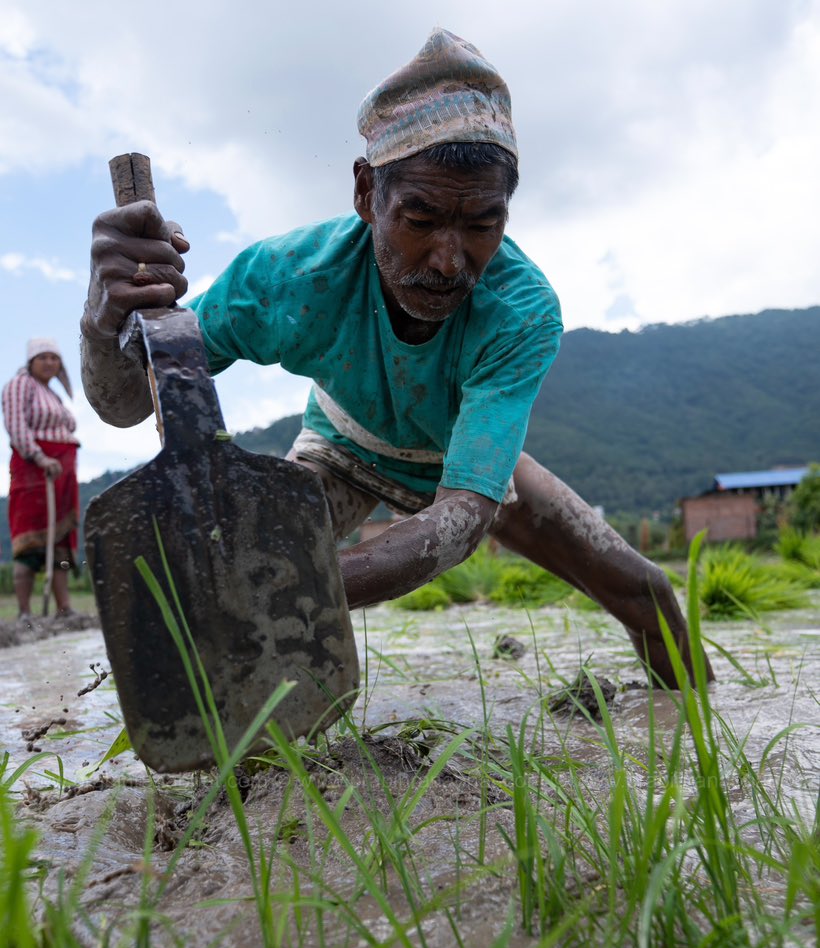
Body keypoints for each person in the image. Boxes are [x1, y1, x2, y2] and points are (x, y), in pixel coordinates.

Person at [79, 29, 710, 687]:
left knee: (646, 593)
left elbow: (462, 516)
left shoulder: (522, 311)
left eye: (481, 224)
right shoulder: (288, 279)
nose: (448, 259)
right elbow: (127, 404)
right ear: (365, 195)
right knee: (255, 583)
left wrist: (298, 587)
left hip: (465, 465)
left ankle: (699, 726)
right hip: (340, 450)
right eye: (421, 218)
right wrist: (104, 320)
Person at [2, 338, 80, 619]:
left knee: (59, 541)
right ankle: (24, 613)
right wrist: (39, 457)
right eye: (43, 357)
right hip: (34, 470)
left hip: (62, 475)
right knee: (30, 539)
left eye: (54, 358)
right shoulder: (19, 385)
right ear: (31, 361)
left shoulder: (53, 395)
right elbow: (16, 425)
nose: (49, 363)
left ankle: (64, 608)